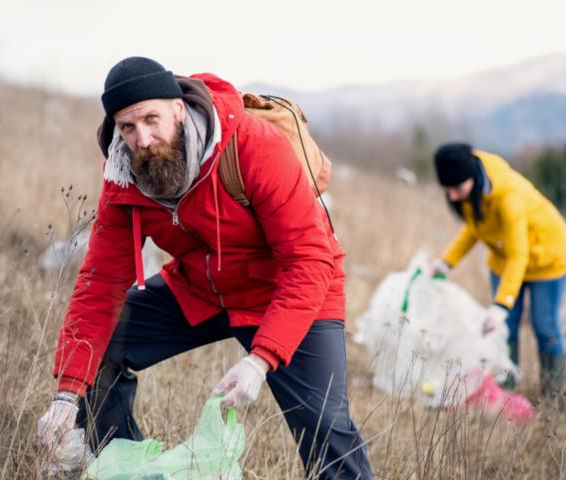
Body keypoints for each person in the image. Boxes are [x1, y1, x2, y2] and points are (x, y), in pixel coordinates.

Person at [37, 57, 372, 479]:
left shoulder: (253, 146)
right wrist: (67, 395)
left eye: (151, 119)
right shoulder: (124, 174)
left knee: (324, 423)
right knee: (105, 347)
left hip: (287, 290)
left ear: (178, 108)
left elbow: (309, 259)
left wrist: (261, 358)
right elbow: (101, 280)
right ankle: (122, 467)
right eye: (127, 127)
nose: (142, 139)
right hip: (201, 288)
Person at [430, 143, 566, 400]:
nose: (452, 197)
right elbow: (476, 228)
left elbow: (518, 255)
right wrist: (446, 262)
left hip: (547, 259)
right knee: (504, 328)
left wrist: (501, 304)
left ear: (471, 178)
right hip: (503, 258)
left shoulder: (508, 197)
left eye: (457, 189)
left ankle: (554, 399)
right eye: (447, 190)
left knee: (545, 326)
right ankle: (506, 389)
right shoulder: (471, 191)